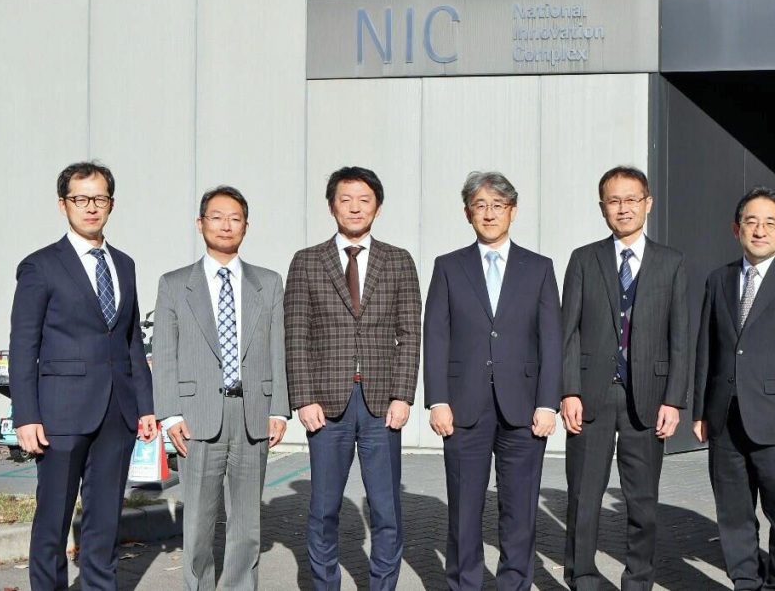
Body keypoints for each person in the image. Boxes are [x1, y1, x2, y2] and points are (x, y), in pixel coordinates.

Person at [9, 161, 157, 590]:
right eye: (81, 199)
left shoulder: (124, 264)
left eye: (99, 198)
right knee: (52, 521)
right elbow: (24, 346)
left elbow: (131, 340)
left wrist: (146, 406)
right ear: (63, 204)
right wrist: (26, 415)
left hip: (117, 412)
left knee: (105, 522)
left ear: (111, 203)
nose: (91, 207)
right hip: (60, 415)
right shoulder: (40, 266)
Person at [285, 166, 421, 591]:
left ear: (377, 207)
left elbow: (410, 332)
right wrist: (303, 398)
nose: (355, 207)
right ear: (332, 206)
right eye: (346, 199)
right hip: (326, 407)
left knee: (385, 510)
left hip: (382, 405)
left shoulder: (398, 260)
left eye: (364, 200)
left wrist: (403, 396)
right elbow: (296, 334)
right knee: (324, 509)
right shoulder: (307, 261)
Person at [424, 171, 562, 590]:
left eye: (498, 206)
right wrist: (437, 400)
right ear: (468, 213)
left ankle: (513, 584)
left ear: (512, 211)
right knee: (464, 510)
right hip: (463, 406)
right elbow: (436, 335)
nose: (489, 214)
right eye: (480, 206)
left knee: (520, 511)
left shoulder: (539, 268)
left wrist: (548, 403)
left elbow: (551, 339)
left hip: (524, 407)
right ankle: (464, 584)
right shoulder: (448, 267)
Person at [152, 185, 289, 590]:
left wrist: (278, 408)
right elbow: (165, 352)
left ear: (246, 226)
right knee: (197, 524)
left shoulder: (268, 282)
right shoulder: (175, 284)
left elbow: (278, 347)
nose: (226, 225)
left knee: (247, 526)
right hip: (196, 418)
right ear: (200, 223)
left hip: (252, 413)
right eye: (217, 217)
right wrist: (169, 414)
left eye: (235, 218)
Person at [560, 165, 689, 590]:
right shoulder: (584, 259)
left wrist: (674, 400)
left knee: (643, 503)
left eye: (631, 199)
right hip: (590, 396)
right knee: (583, 498)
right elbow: (568, 332)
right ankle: (582, 577)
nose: (623, 208)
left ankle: (638, 580)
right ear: (602, 208)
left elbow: (680, 338)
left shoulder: (671, 262)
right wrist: (569, 390)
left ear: (648, 203)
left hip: (648, 398)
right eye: (613, 201)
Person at [692, 186, 775, 591]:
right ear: (736, 229)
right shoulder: (719, 280)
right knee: (733, 514)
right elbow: (706, 349)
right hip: (724, 420)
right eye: (751, 222)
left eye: (770, 223)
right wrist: (700, 411)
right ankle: (745, 582)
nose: (760, 230)